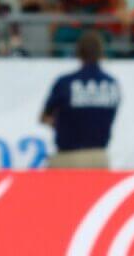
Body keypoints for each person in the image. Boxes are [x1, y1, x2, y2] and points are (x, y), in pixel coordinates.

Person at [41, 30, 120, 169]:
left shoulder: (65, 82)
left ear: (78, 52)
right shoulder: (112, 84)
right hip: (99, 157)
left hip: (68, 157)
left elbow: (45, 118)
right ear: (102, 53)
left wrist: (62, 124)